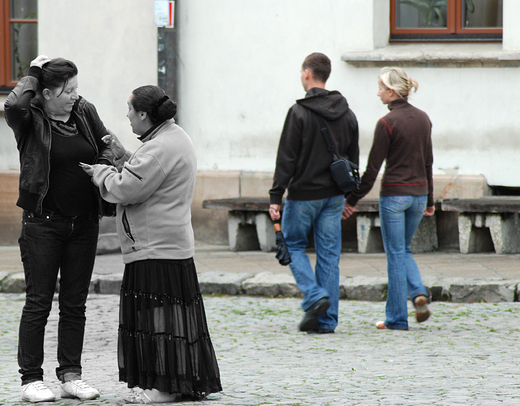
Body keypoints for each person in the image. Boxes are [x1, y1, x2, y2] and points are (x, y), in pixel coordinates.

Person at [81, 85, 222, 403]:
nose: (127, 116)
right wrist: (124, 155)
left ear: (144, 114)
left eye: (130, 110)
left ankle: (163, 388)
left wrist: (102, 172)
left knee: (156, 319)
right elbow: (151, 175)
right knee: (172, 318)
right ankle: (181, 382)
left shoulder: (158, 148)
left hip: (154, 247)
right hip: (169, 244)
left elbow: (127, 189)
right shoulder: (172, 138)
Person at [4, 55, 111, 402]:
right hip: (43, 225)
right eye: (68, 90)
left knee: (75, 303)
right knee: (38, 303)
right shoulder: (29, 119)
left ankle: (70, 375)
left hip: (84, 224)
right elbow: (14, 103)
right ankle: (30, 379)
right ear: (47, 93)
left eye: (77, 88)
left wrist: (103, 169)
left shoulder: (84, 111)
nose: (75, 96)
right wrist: (33, 72)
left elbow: (107, 144)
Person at [269, 53, 359, 334]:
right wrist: (350, 197)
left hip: (304, 195)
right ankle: (327, 320)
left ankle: (313, 295)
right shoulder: (347, 113)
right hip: (334, 197)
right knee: (329, 256)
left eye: (301, 72)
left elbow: (286, 159)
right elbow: (353, 159)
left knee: (294, 245)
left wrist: (275, 197)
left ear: (307, 74)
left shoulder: (298, 112)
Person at [343, 67, 434, 331]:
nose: (378, 92)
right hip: (418, 196)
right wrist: (430, 199)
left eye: (381, 87)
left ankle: (396, 318)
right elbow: (428, 161)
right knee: (403, 249)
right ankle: (418, 293)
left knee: (395, 254)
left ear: (391, 92)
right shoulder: (423, 118)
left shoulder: (386, 123)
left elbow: (372, 170)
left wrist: (352, 200)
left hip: (394, 196)